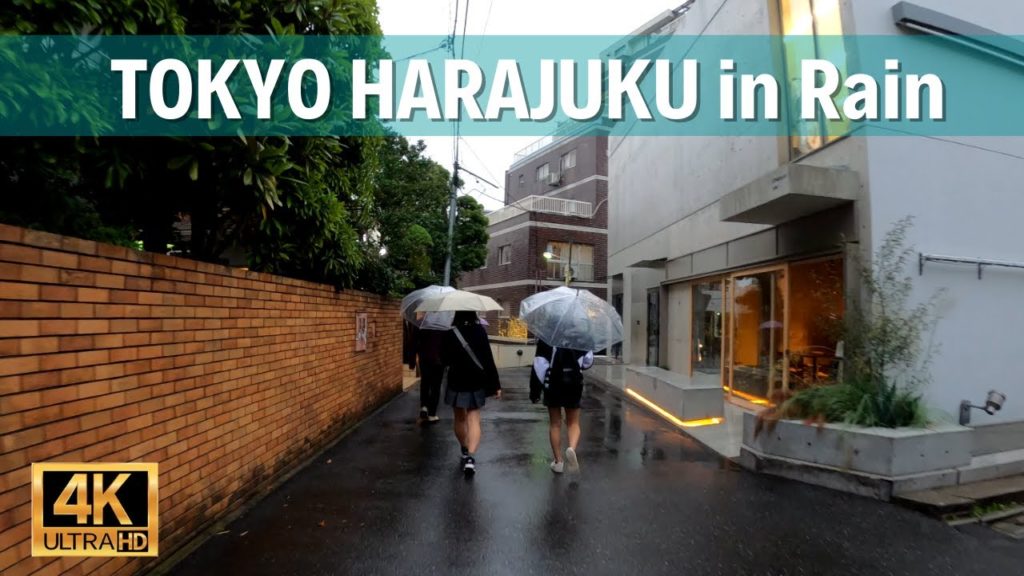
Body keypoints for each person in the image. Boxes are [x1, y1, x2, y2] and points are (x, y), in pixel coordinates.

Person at [442, 311, 501, 475]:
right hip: (476, 380)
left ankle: (464, 449)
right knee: (474, 419)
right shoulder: (480, 331)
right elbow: (488, 359)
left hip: (456, 380)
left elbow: (444, 359)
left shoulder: (449, 333)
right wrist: (496, 384)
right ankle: (471, 459)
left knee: (459, 418)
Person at [530, 340, 593, 474]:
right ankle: (571, 448)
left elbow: (539, 366)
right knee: (573, 423)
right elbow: (588, 361)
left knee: (555, 424)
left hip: (553, 384)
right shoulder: (580, 336)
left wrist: (536, 391)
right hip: (574, 383)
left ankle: (558, 462)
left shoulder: (547, 338)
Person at [416, 326, 447, 424]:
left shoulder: (422, 324)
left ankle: (424, 407)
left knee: (425, 382)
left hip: (424, 359)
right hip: (439, 360)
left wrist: (413, 360)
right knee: (436, 387)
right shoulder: (444, 326)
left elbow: (415, 341)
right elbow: (448, 345)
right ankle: (432, 414)